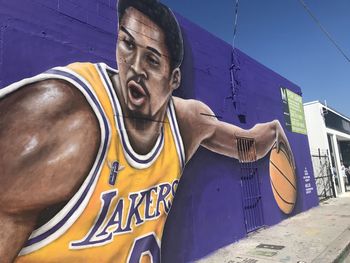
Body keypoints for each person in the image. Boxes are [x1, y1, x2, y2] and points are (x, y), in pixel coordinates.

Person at [0, 0, 293, 262]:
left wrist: (276, 130)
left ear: (174, 78)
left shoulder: (187, 122)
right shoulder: (61, 120)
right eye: (127, 44)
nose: (135, 67)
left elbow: (248, 147)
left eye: (152, 59)